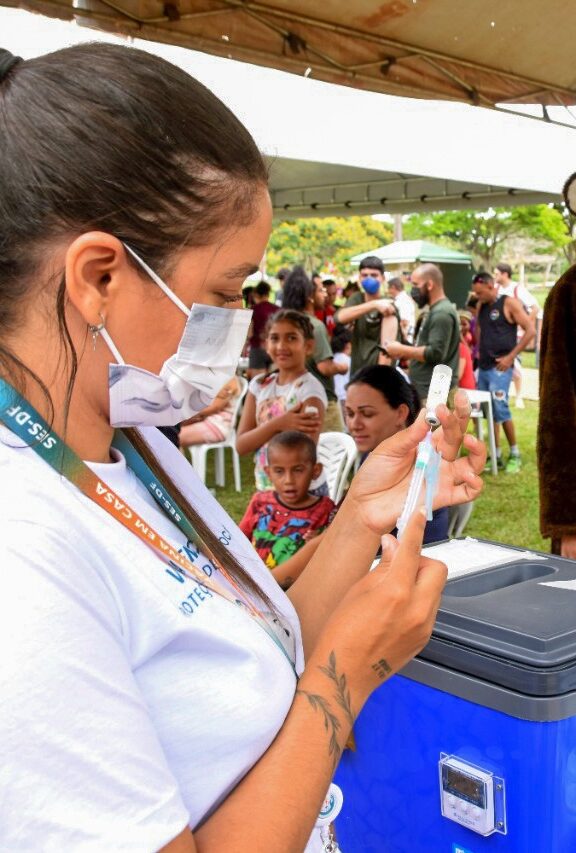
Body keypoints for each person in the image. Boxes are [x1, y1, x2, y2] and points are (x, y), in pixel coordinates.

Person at [0, 42, 486, 850]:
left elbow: (246, 653)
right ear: (98, 277)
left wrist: (364, 511)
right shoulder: (21, 546)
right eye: (225, 292)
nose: (237, 325)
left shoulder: (131, 440)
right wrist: (345, 677)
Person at [344, 365, 451, 544]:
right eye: (349, 413)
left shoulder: (420, 466)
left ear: (401, 413)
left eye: (367, 413)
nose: (354, 424)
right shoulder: (372, 457)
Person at [235, 309, 326, 494]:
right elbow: (241, 445)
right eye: (275, 338)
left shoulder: (309, 390)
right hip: (266, 488)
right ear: (266, 344)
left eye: (291, 338)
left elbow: (304, 455)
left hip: (301, 494)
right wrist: (279, 423)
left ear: (308, 346)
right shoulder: (259, 385)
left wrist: (265, 431)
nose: (281, 345)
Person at [238, 431, 337, 579]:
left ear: (315, 471)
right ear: (268, 473)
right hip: (254, 581)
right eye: (279, 471)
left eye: (298, 470)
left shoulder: (325, 509)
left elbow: (332, 556)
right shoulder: (260, 502)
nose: (288, 480)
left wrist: (317, 544)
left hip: (295, 589)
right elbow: (238, 540)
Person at [471, 271, 536, 472]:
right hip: (484, 367)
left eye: (480, 292)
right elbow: (479, 332)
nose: (477, 297)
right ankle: (495, 453)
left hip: (501, 367)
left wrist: (510, 357)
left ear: (491, 286)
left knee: (500, 409)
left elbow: (530, 331)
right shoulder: (481, 305)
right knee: (487, 411)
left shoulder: (509, 303)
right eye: (476, 293)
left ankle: (514, 453)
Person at [384, 263, 461, 402]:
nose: (412, 290)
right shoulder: (435, 310)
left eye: (415, 285)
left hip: (434, 394)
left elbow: (435, 353)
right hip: (426, 391)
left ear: (429, 285)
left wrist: (402, 350)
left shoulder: (441, 314)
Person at [281, 265, 345, 418]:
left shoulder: (283, 322)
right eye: (320, 290)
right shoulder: (314, 326)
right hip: (322, 401)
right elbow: (324, 367)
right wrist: (343, 367)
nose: (325, 295)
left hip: (292, 401)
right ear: (310, 296)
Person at [334, 255, 400, 374]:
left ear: (382, 278)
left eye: (374, 275)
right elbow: (339, 318)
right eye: (365, 275)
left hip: (377, 375)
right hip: (357, 372)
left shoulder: (388, 304)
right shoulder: (357, 298)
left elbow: (386, 351)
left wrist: (377, 382)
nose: (369, 279)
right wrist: (374, 305)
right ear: (359, 277)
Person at [493, 262, 537, 409]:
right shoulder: (496, 289)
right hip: (500, 335)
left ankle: (518, 396)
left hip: (515, 335)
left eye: (497, 273)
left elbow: (535, 307)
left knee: (515, 367)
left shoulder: (518, 289)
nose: (495, 276)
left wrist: (525, 326)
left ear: (505, 274)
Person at [178, 375, 242, 447]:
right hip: (204, 419)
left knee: (172, 436)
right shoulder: (215, 376)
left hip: (218, 425)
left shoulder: (229, 379)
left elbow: (214, 407)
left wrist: (186, 413)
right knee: (169, 431)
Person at [246, 279, 277, 379]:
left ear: (256, 295)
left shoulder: (252, 310)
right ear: (268, 294)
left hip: (257, 349)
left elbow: (249, 333)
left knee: (259, 386)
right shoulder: (278, 309)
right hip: (275, 348)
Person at [388, 275, 418, 344]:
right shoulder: (401, 299)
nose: (388, 291)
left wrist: (404, 340)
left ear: (393, 287)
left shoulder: (403, 300)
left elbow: (404, 322)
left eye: (388, 288)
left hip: (405, 339)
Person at [331, 330, 352, 427]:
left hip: (334, 400)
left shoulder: (331, 361)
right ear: (348, 345)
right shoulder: (349, 361)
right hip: (346, 398)